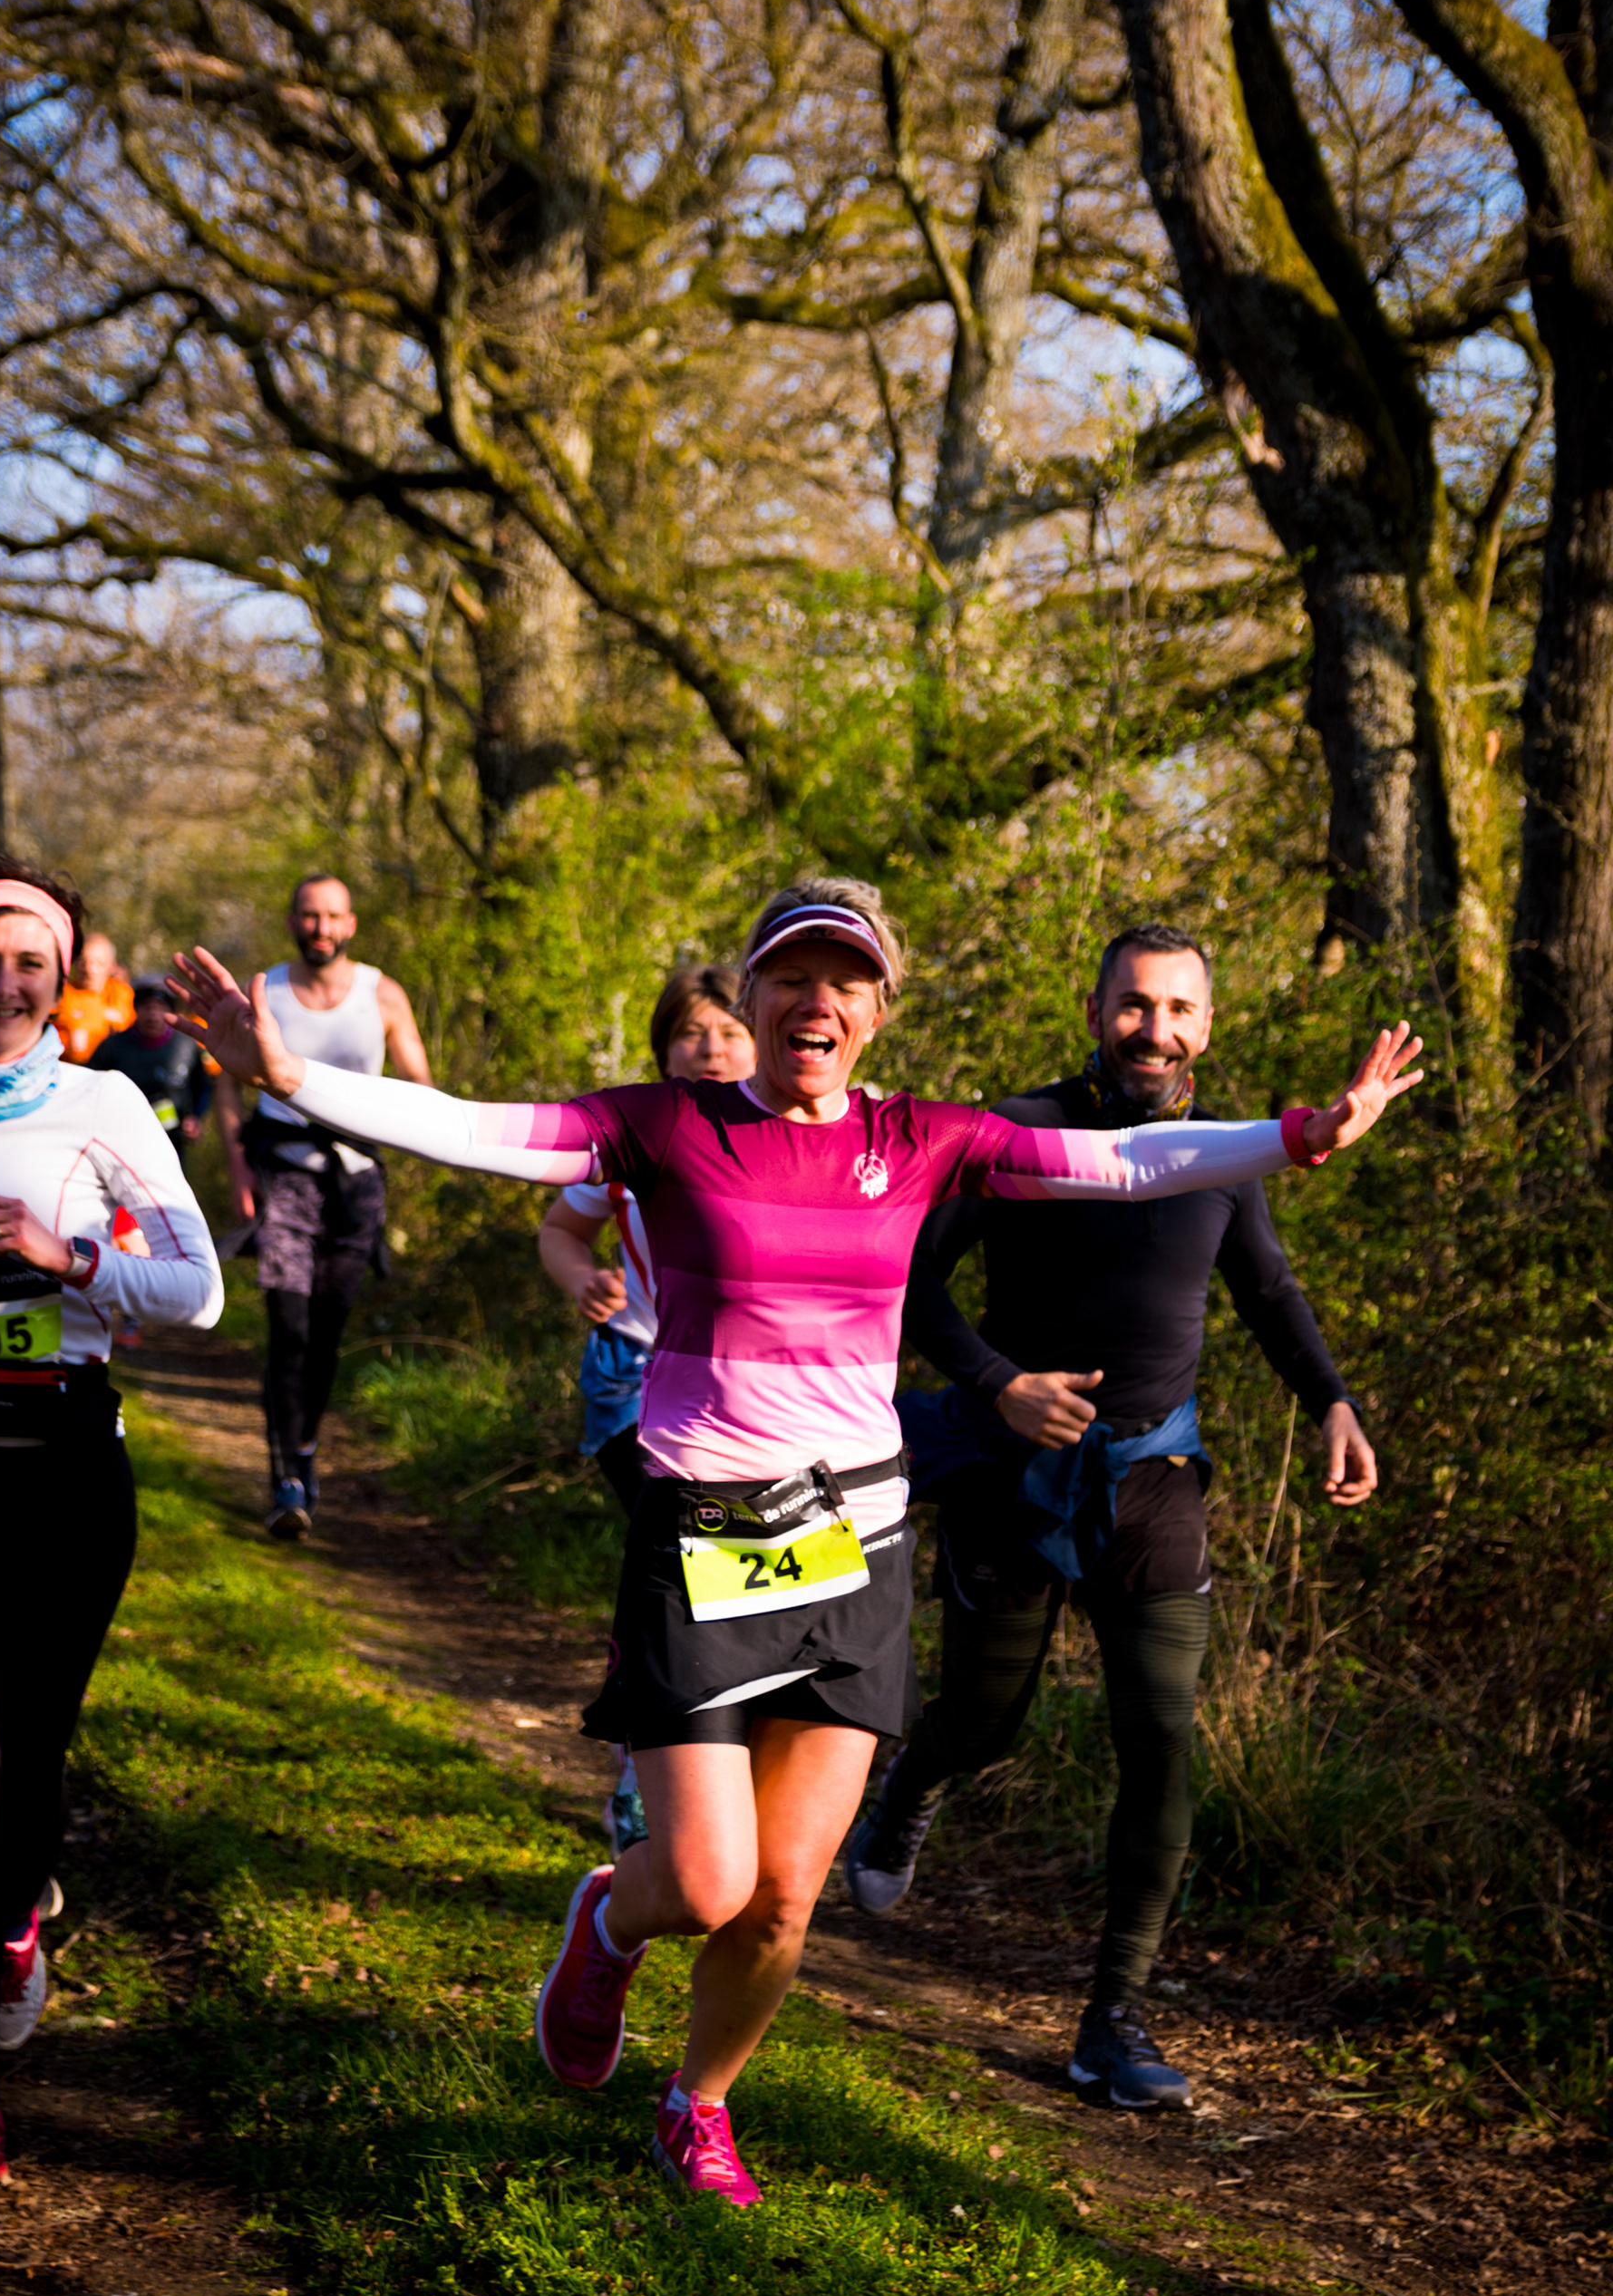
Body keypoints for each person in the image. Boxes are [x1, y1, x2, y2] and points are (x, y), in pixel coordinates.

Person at [171, 877, 1420, 2209]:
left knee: (781, 1897)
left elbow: (1129, 1162)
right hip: (703, 1531)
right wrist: (291, 1074)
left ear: (877, 1012)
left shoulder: (927, 1139)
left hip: (852, 1543)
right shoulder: (666, 1124)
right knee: (703, 1878)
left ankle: (698, 2105)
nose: (817, 1001)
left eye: (847, 982)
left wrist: (1300, 1136)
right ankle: (610, 1919)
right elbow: (478, 1129)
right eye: (792, 977)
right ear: (756, 995)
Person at [844, 923, 1379, 2112]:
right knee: (985, 1724)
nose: (1156, 1029)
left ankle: (1113, 2018)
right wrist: (997, 1383)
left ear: (1208, 1026)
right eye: (1135, 1005)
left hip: (1153, 1479)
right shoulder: (1017, 1132)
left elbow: (1269, 1290)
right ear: (1095, 1013)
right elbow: (910, 1279)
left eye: (1179, 1009)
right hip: (1012, 1474)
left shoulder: (1223, 1155)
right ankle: (914, 1786)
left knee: (1162, 1739)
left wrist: (1333, 1402)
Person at [0, 850, 222, 2187]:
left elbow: (196, 1290)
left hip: (65, 1466)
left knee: (28, 1766)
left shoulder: (104, 1103)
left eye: (33, 963)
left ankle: (15, 1916)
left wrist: (68, 1257)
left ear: (62, 982)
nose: (5, 981)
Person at [538, 965, 755, 1849]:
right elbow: (561, 1228)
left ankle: (712, 1767)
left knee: (726, 1581)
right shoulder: (634, 1142)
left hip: (749, 1399)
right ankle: (643, 1778)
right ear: (664, 1051)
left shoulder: (797, 1143)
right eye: (692, 1033)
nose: (711, 1049)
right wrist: (581, 1279)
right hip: (634, 1381)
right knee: (692, 1566)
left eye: (730, 1032)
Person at [213, 873, 431, 1539]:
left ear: (351, 924)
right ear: (292, 922)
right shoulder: (266, 991)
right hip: (284, 1177)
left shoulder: (382, 994)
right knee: (289, 1327)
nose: (322, 927)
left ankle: (305, 1448)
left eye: (333, 916)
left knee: (327, 1335)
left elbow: (419, 1082)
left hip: (357, 1184)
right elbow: (227, 1086)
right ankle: (285, 1479)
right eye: (310, 915)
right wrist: (239, 1168)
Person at [91, 976, 211, 1160]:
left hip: (171, 1145)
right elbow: (91, 1087)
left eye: (161, 1007)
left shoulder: (186, 1047)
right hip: (120, 1145)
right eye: (146, 1007)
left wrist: (196, 1117)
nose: (153, 1015)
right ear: (136, 1009)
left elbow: (203, 1087)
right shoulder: (113, 1047)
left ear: (171, 1011)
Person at [54, 932, 135, 1065]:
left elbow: (133, 1030)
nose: (90, 970)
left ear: (111, 966)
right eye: (84, 962)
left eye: (98, 964)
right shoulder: (62, 994)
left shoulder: (121, 993)